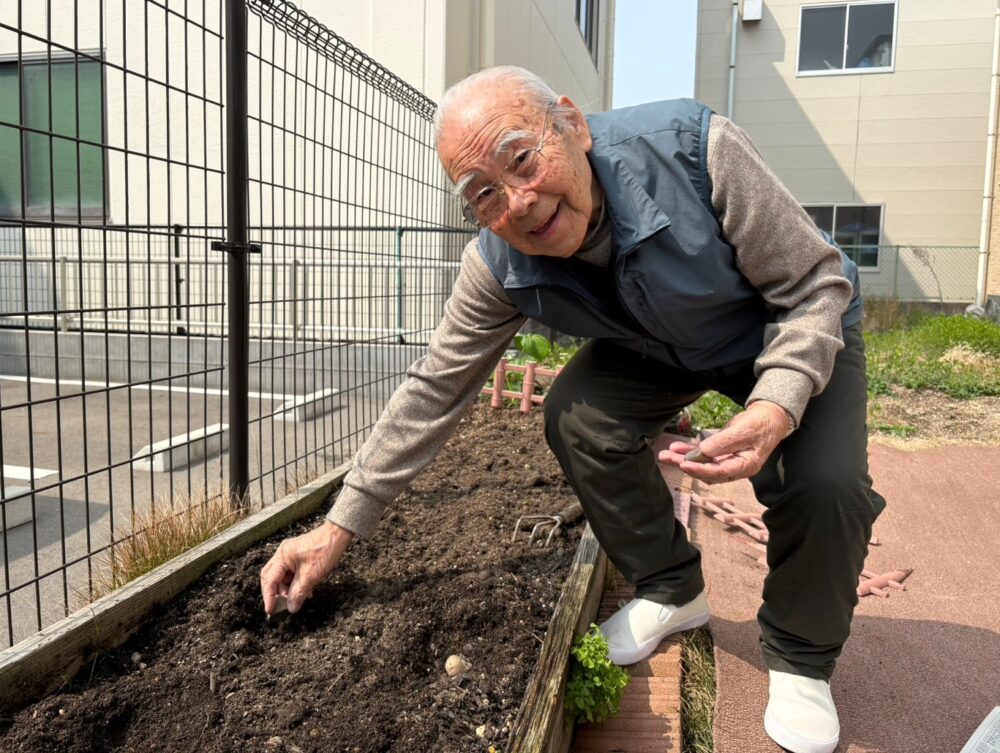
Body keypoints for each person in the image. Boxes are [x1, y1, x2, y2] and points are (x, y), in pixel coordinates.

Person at [260, 66, 884, 753]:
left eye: (522, 159)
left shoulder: (697, 151)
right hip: (658, 348)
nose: (519, 203)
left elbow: (813, 283)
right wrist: (336, 529)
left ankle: (800, 655)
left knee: (825, 482)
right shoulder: (498, 265)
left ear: (572, 125)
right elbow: (433, 388)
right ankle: (671, 588)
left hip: (783, 323)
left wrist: (775, 405)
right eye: (484, 194)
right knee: (579, 417)